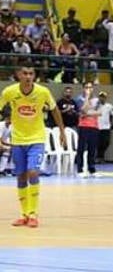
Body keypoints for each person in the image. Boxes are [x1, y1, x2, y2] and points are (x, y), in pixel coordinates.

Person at [1, 65, 66, 228]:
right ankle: (24, 214)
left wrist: (62, 131)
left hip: (36, 139)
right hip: (17, 140)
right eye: (25, 73)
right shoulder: (9, 92)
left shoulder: (42, 92)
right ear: (18, 75)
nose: (28, 76)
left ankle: (33, 213)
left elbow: (54, 110)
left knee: (32, 172)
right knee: (21, 175)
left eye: (31, 73)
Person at [75, 82, 100, 177]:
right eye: (86, 87)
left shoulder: (97, 100)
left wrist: (87, 113)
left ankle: (92, 169)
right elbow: (83, 110)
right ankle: (80, 170)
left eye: (90, 87)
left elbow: (98, 113)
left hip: (94, 126)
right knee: (81, 148)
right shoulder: (79, 99)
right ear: (83, 89)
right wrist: (87, 97)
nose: (89, 89)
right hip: (83, 126)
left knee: (92, 149)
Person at [96, 91, 113, 162]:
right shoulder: (96, 106)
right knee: (98, 143)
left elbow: (112, 115)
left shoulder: (109, 106)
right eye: (101, 97)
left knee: (106, 142)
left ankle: (101, 156)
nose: (102, 98)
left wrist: (110, 125)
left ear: (105, 98)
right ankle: (98, 157)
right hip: (97, 127)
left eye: (103, 97)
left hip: (106, 127)